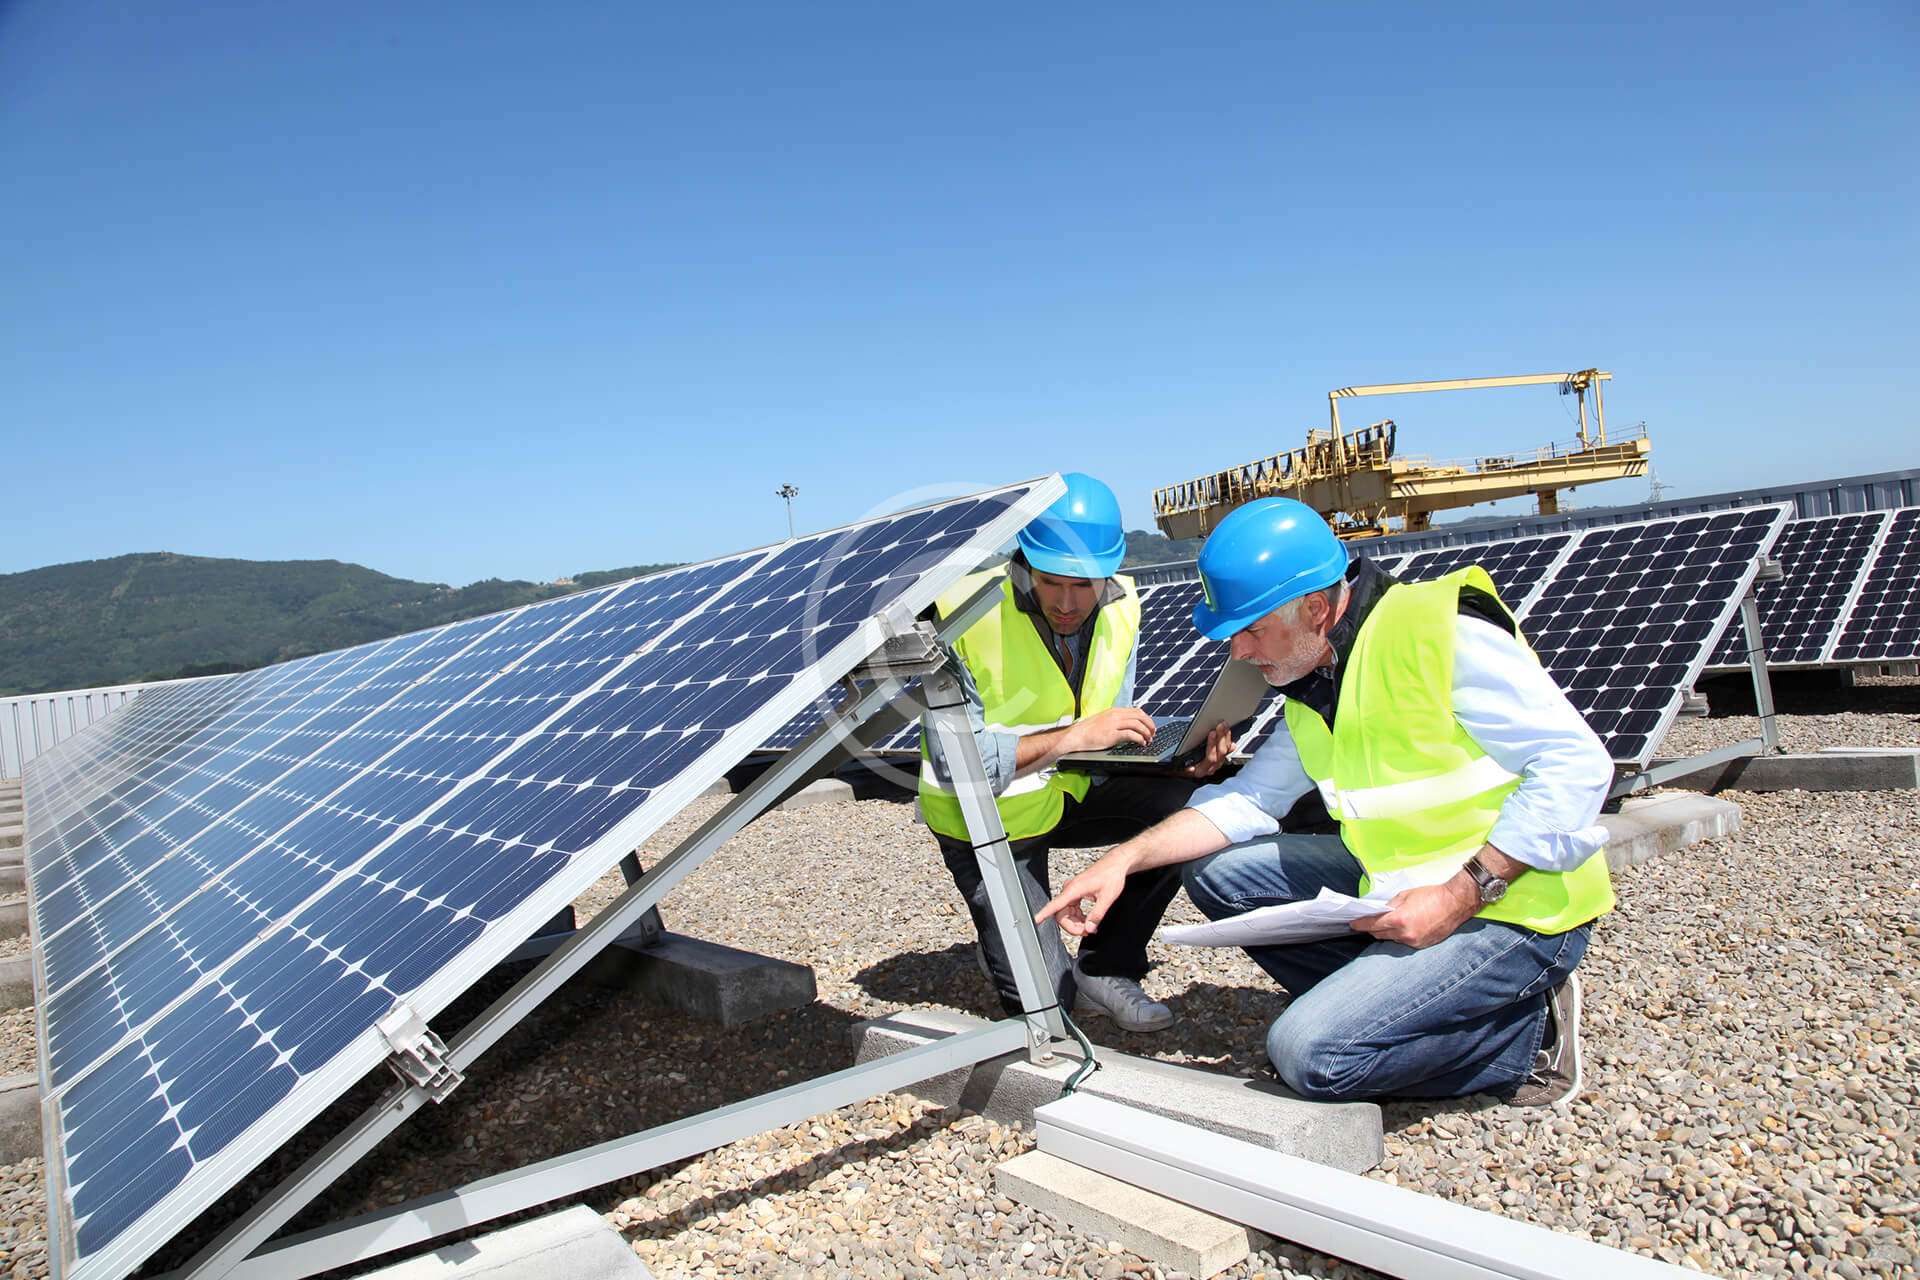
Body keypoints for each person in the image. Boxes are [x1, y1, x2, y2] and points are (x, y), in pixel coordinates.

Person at [1037, 497, 1614, 1105]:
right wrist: (1122, 862)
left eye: (1252, 630)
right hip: (1402, 881)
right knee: (1216, 870)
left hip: (1514, 906)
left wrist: (1458, 895)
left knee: (1310, 1057)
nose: (1239, 653)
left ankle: (1525, 1041)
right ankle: (1392, 1004)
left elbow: (1576, 766)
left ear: (1315, 608)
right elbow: (1249, 801)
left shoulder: (1442, 633)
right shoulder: (1315, 681)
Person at [919, 473, 1233, 1033]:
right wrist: (1070, 738)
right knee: (1047, 1013)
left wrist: (1178, 758)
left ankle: (1106, 966)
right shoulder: (960, 610)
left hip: (1068, 788)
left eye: (1085, 584)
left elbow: (1110, 730)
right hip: (986, 817)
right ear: (1024, 561)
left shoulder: (1122, 603)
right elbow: (956, 762)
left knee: (1191, 804)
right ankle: (1011, 939)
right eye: (1051, 582)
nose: (1069, 603)